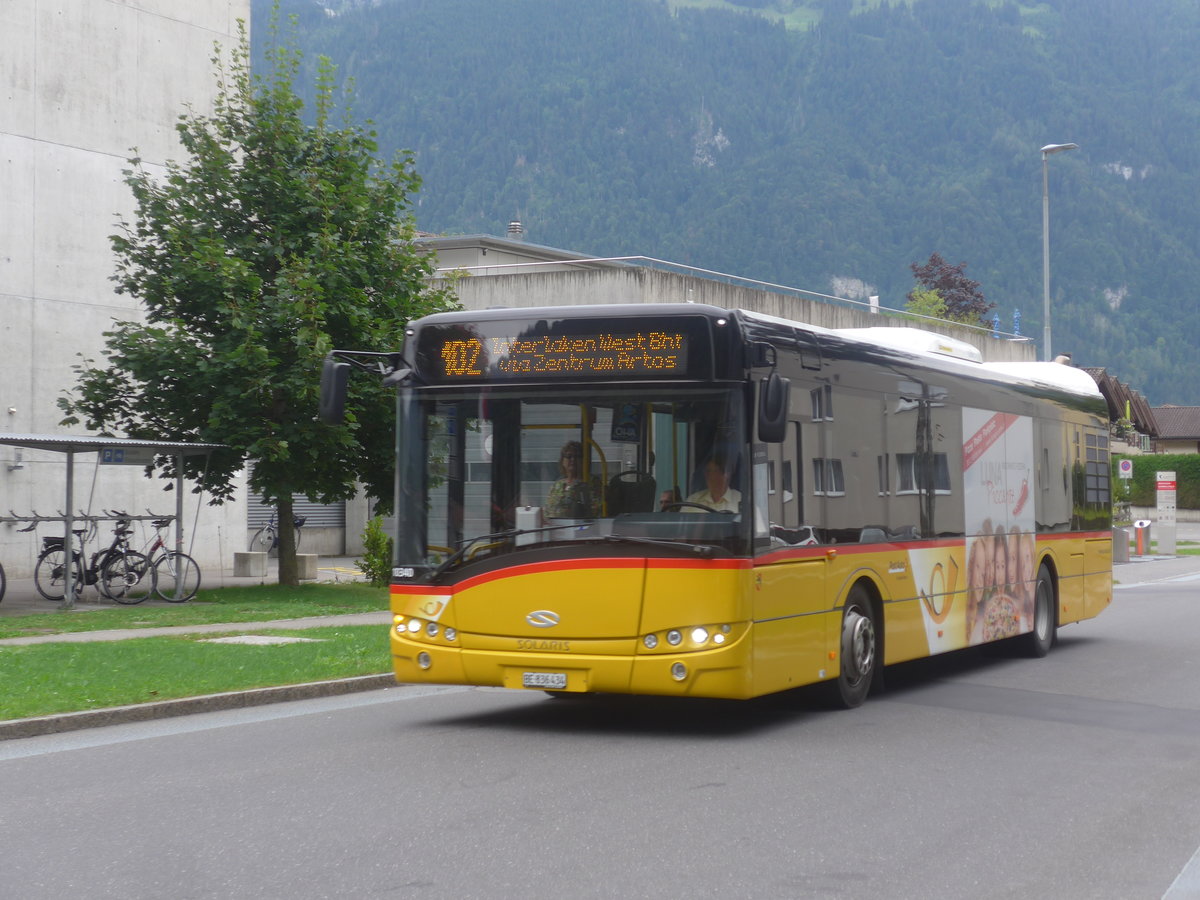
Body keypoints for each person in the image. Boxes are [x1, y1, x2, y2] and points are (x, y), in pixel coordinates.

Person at [545, 441, 598, 518]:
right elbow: (547, 509)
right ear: (562, 461)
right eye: (569, 456)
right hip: (554, 527)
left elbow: (596, 509)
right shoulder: (557, 485)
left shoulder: (591, 482)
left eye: (577, 456)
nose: (573, 459)